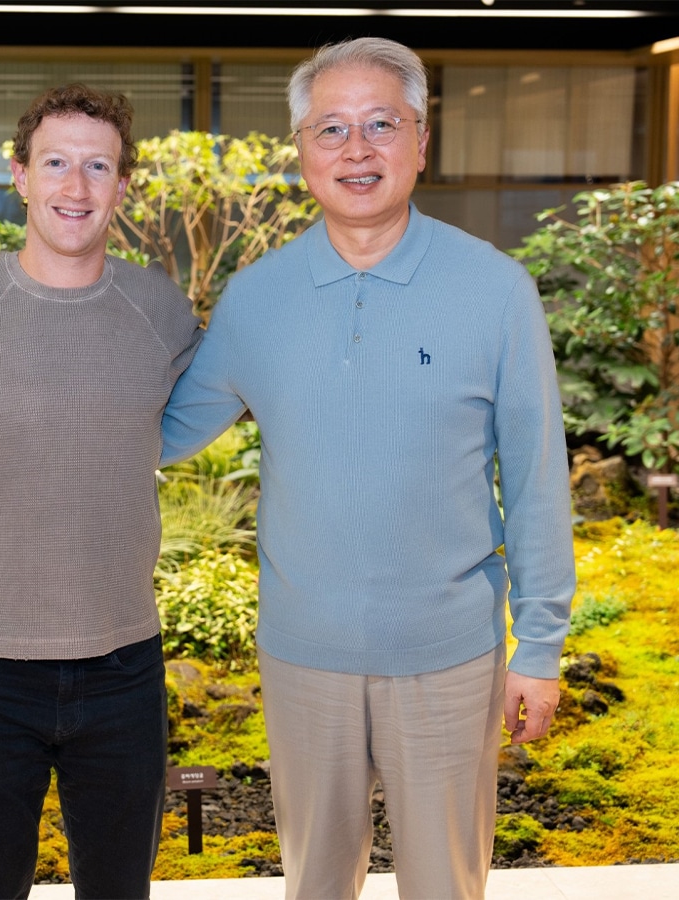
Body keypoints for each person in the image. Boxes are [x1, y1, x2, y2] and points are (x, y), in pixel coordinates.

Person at [161, 37, 576, 900]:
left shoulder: (496, 290)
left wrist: (538, 647)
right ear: (302, 151)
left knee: (445, 885)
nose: (357, 150)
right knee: (313, 883)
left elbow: (538, 478)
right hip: (302, 656)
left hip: (451, 655)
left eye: (381, 124)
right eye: (331, 128)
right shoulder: (257, 298)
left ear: (422, 141)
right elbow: (157, 433)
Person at [0, 83, 202, 899]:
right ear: (19, 175)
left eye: (98, 166)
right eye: (56, 162)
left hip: (124, 666)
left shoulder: (157, 309)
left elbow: (183, 413)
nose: (76, 187)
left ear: (123, 184)